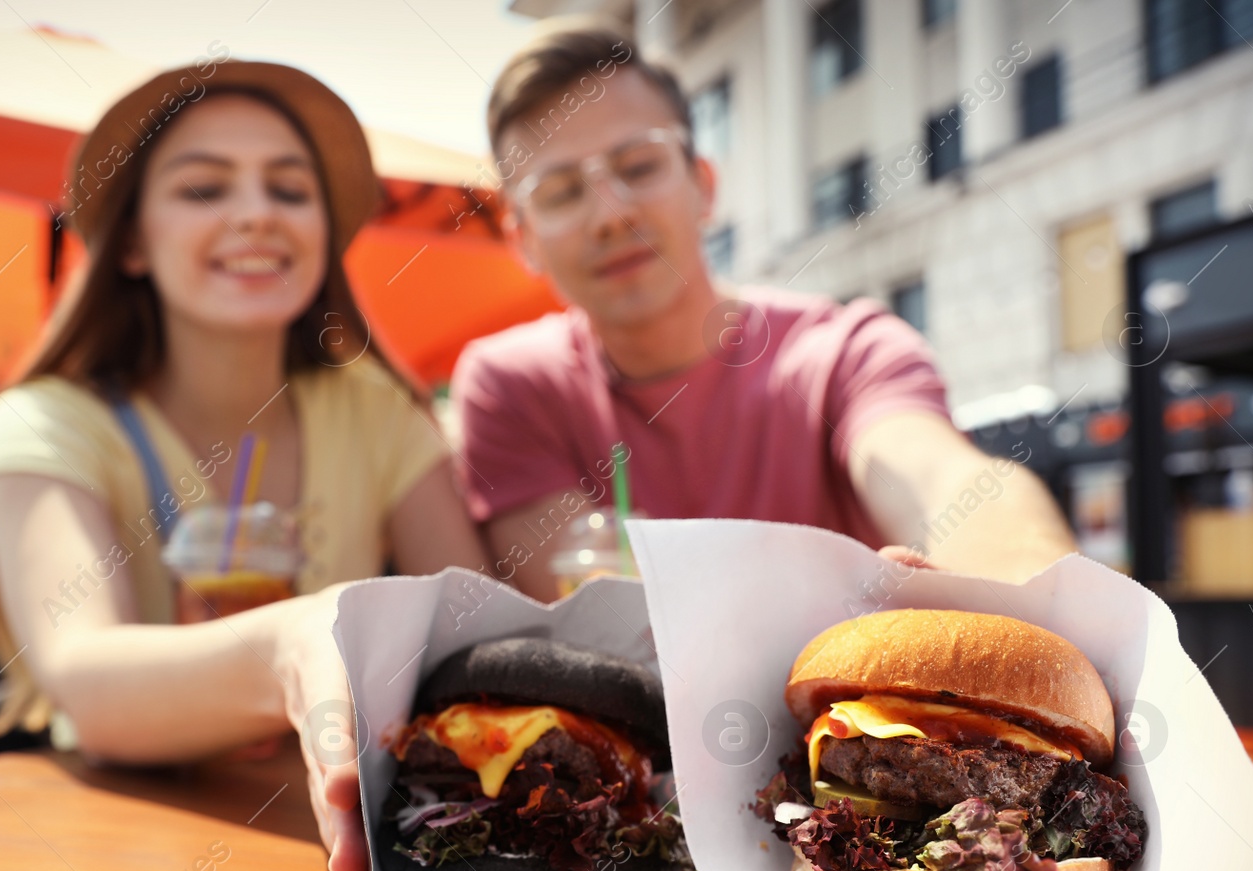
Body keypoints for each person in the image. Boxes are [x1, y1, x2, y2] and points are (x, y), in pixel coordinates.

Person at [0, 60, 483, 871]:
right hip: (107, 861)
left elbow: (469, 631)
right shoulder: (45, 424)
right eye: (204, 190)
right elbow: (84, 680)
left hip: (347, 859)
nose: (254, 214)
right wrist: (292, 642)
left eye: (289, 190)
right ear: (131, 240)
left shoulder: (382, 415)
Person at [452, 21, 1079, 601]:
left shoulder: (847, 353)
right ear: (524, 238)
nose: (611, 215)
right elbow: (586, 609)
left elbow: (946, 485)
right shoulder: (509, 388)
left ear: (704, 184)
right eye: (561, 193)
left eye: (639, 166)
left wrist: (1040, 608)